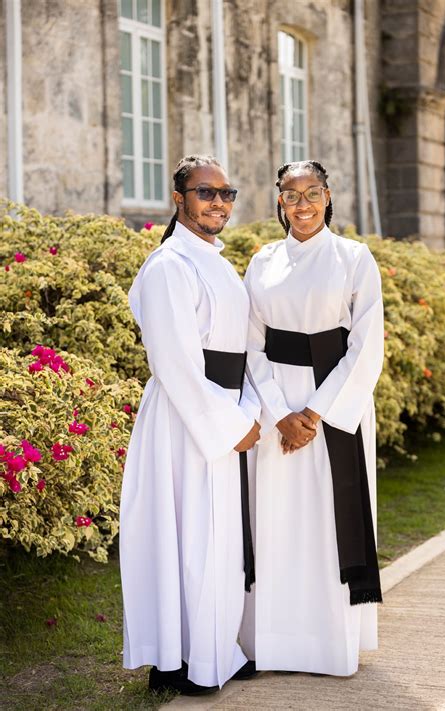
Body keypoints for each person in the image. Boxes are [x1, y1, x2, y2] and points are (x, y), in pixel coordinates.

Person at [120, 155, 261, 695]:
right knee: (186, 535)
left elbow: (239, 352)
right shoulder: (168, 266)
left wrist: (248, 411)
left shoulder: (216, 261)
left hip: (224, 409)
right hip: (186, 420)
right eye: (206, 192)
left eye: (226, 193)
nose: (219, 203)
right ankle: (177, 659)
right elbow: (175, 363)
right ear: (179, 199)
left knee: (216, 538)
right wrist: (229, 424)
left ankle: (215, 649)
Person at [242, 160, 384, 676]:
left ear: (328, 196)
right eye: (291, 194)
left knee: (329, 520)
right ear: (279, 201)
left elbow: (366, 344)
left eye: (312, 193)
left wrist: (314, 412)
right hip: (276, 405)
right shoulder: (262, 261)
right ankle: (273, 643)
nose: (302, 204)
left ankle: (327, 645)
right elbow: (249, 345)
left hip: (334, 405)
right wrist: (280, 414)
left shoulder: (354, 257)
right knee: (276, 519)